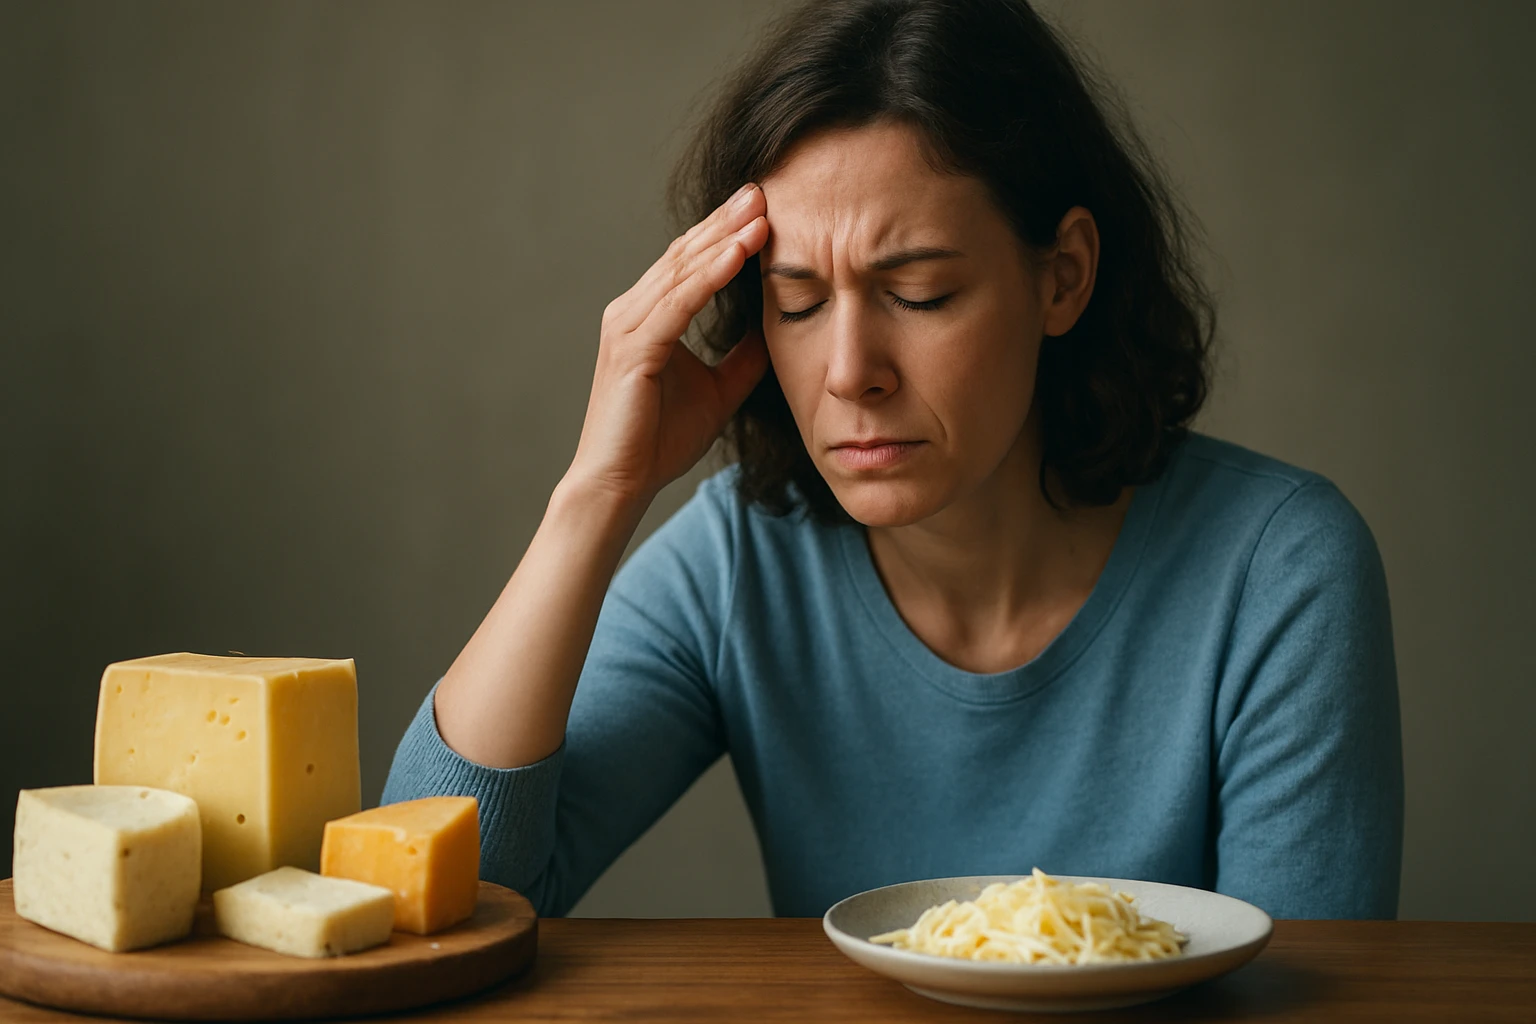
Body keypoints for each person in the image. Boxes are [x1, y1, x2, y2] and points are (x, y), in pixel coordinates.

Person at [382, 0, 1403, 920]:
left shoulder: (1278, 568)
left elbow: (1309, 990)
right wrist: (596, 497)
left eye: (918, 293)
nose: (847, 372)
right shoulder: (744, 557)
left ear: (1064, 277)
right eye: (796, 303)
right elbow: (444, 886)